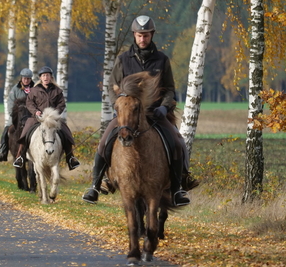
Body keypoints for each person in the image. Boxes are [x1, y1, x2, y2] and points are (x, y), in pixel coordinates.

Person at [81, 15, 198, 207]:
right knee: (104, 141)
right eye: (139, 35)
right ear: (134, 36)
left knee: (177, 142)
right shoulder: (123, 60)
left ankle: (178, 188)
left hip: (155, 114)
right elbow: (112, 86)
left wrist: (164, 106)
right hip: (128, 115)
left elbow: (169, 89)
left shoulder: (161, 60)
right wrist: (118, 104)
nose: (142, 39)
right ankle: (96, 184)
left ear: (151, 35)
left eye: (146, 35)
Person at [12, 66, 80, 171]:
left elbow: (61, 104)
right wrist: (35, 112)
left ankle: (70, 158)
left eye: (47, 75)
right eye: (43, 75)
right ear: (40, 78)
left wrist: (55, 113)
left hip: (53, 119)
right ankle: (20, 157)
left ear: (51, 77)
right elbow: (29, 103)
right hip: (37, 118)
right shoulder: (34, 90)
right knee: (25, 133)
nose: (46, 77)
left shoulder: (57, 91)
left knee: (66, 133)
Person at [0, 68, 35, 162]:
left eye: (28, 78)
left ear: (31, 79)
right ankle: (3, 152)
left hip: (32, 117)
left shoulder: (35, 88)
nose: (26, 80)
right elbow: (10, 103)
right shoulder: (15, 89)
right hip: (18, 117)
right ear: (21, 78)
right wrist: (14, 115)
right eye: (24, 78)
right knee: (7, 130)